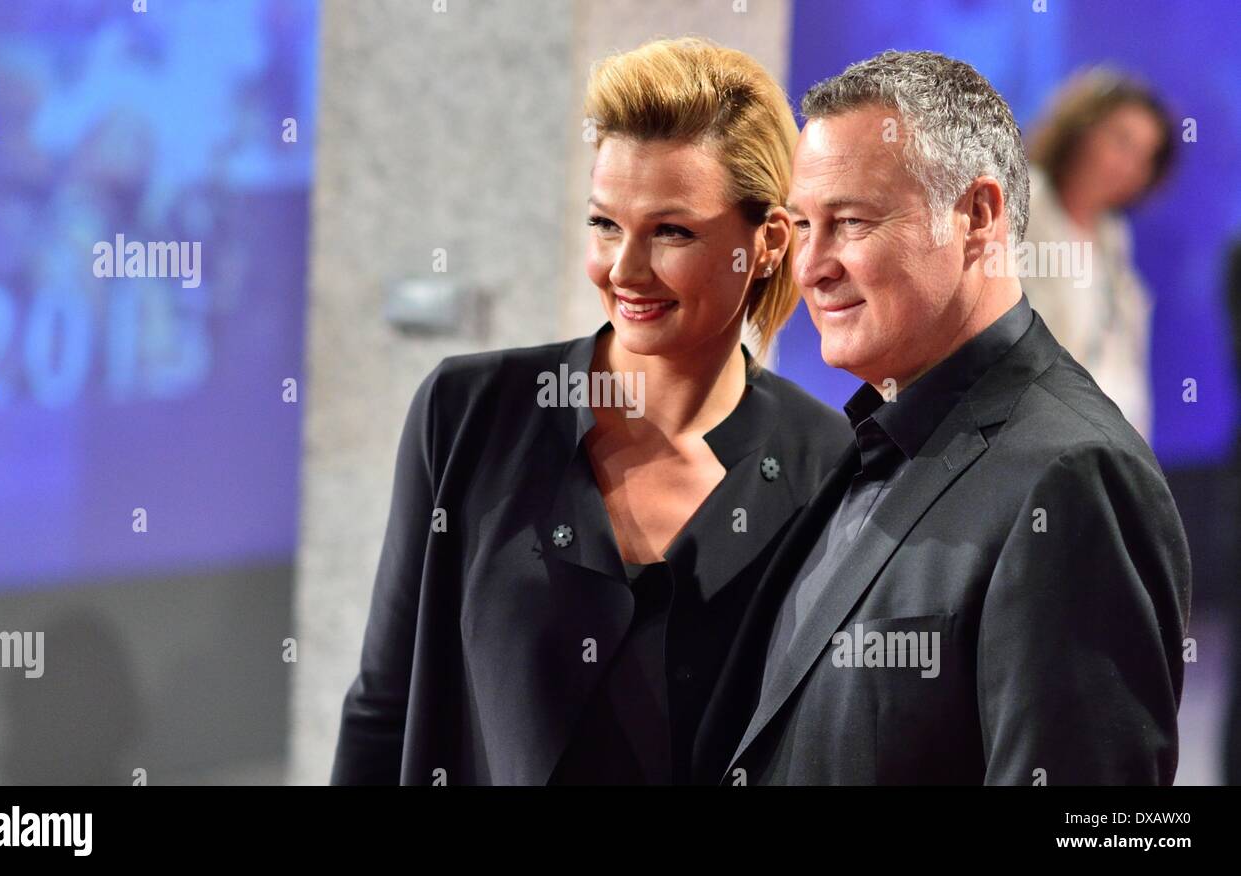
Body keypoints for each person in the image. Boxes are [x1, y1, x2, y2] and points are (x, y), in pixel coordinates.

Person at [330, 37, 852, 785]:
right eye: (606, 224)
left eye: (672, 231)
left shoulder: (825, 466)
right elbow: (384, 708)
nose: (625, 269)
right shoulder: (470, 413)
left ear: (768, 242)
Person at [693, 50, 1192, 785]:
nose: (812, 265)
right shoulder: (873, 439)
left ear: (979, 217)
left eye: (852, 221)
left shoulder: (1075, 476)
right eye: (804, 224)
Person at [1023, 68, 1176, 442]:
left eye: (1145, 156)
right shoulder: (1022, 204)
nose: (1129, 165)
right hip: (1039, 441)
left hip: (1112, 444)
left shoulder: (1114, 235)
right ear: (1079, 129)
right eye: (1121, 141)